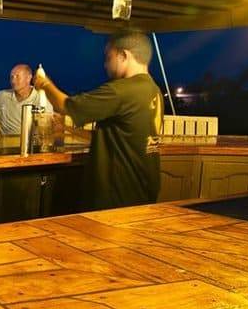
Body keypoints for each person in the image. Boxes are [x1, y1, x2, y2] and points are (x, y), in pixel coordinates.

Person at [34, 30, 163, 211]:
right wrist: (68, 130)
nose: (105, 64)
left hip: (118, 194)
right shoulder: (153, 90)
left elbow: (65, 105)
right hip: (142, 188)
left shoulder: (122, 90)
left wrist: (44, 83)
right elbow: (116, 138)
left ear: (123, 55)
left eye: (108, 57)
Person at [0, 64, 53, 134]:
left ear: (28, 78)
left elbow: (48, 124)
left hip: (31, 140)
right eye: (12, 77)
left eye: (17, 77)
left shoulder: (41, 98)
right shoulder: (2, 96)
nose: (13, 81)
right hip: (6, 139)